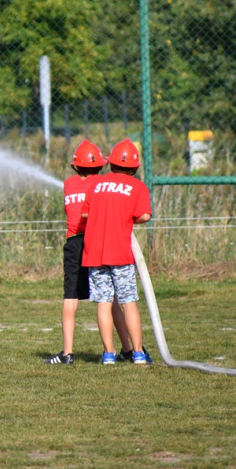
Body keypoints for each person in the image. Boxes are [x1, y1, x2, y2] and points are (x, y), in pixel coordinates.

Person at [46, 140, 132, 365]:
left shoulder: (68, 183)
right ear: (101, 165)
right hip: (97, 241)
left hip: (74, 243)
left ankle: (67, 353)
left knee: (70, 298)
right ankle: (128, 348)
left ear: (75, 166)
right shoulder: (103, 184)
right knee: (109, 297)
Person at [81, 138, 153, 365]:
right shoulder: (137, 187)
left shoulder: (95, 184)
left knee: (104, 302)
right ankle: (138, 353)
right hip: (120, 253)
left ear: (110, 163)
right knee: (128, 301)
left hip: (95, 253)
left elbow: (84, 214)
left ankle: (109, 355)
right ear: (134, 167)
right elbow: (145, 216)